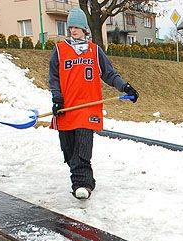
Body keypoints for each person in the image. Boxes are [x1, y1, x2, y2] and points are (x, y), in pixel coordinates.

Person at [49, 7, 139, 200]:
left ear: (84, 29)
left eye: (77, 27)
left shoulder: (95, 51)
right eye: (70, 27)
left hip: (87, 108)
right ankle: (86, 179)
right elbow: (54, 78)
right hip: (66, 109)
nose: (73, 30)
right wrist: (56, 98)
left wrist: (126, 87)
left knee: (82, 148)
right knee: (69, 152)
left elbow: (110, 74)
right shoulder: (59, 50)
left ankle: (82, 185)